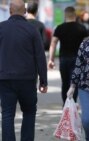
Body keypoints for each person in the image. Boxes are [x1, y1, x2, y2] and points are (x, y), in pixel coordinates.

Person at [0, 0, 48, 141]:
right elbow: (40, 56)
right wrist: (43, 81)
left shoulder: (1, 28)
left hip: (5, 79)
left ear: (10, 11)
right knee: (29, 112)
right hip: (27, 79)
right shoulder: (32, 30)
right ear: (25, 12)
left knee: (7, 114)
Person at [48, 6, 88, 106]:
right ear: (75, 15)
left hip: (64, 59)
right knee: (74, 83)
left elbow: (53, 43)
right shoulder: (82, 28)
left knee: (65, 83)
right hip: (78, 60)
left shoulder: (59, 28)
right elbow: (88, 45)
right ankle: (72, 104)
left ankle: (65, 105)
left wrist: (51, 59)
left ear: (65, 15)